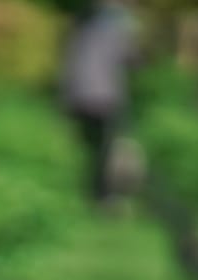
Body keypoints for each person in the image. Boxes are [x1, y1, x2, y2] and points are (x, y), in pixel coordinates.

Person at [59, 0, 140, 207]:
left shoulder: (86, 24)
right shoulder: (119, 23)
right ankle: (101, 197)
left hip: (79, 94)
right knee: (103, 149)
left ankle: (83, 191)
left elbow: (72, 61)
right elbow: (130, 58)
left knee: (88, 146)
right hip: (103, 96)